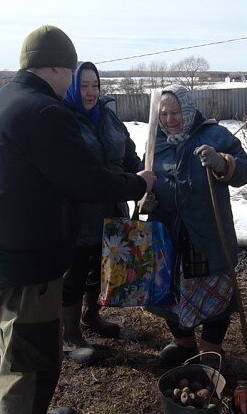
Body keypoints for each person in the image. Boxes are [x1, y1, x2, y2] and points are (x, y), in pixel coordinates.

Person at [0, 25, 156, 414]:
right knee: (33, 365)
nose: (74, 82)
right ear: (57, 67)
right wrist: (136, 184)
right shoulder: (43, 111)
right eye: (72, 72)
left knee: (18, 348)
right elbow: (84, 179)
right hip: (27, 264)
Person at [145, 84, 247, 366]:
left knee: (215, 293)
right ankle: (183, 344)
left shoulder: (213, 134)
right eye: (164, 113)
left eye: (176, 112)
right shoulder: (154, 143)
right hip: (168, 231)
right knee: (171, 291)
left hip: (207, 232)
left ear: (189, 109)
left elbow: (246, 168)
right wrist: (147, 198)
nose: (170, 119)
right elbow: (145, 177)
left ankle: (210, 349)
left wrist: (222, 163)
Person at [60, 61, 142, 364]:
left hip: (112, 207)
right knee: (76, 273)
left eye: (95, 85)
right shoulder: (63, 121)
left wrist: (143, 175)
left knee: (104, 270)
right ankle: (69, 336)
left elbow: (129, 155)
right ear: (71, 87)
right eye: (83, 85)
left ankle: (91, 317)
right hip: (79, 213)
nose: (91, 91)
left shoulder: (108, 116)